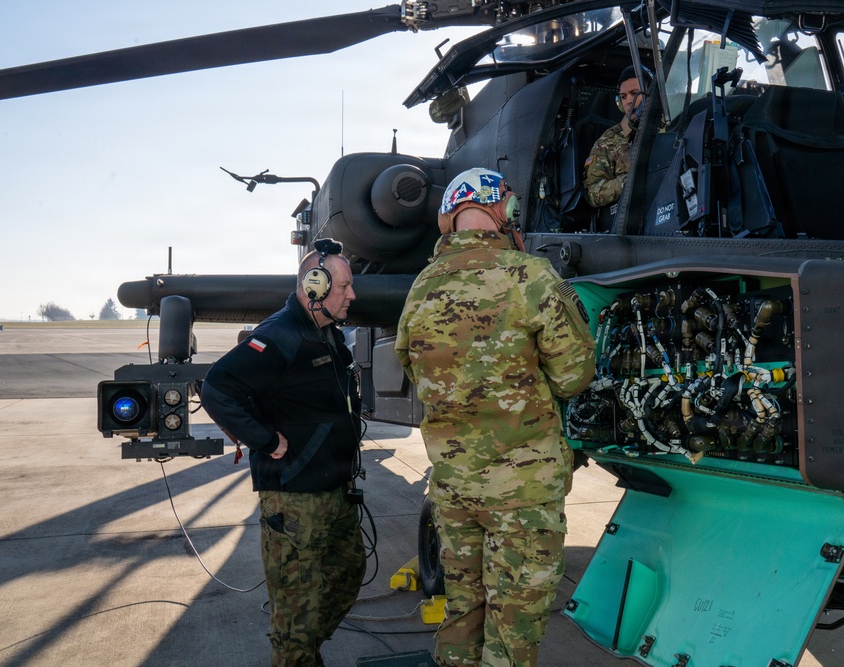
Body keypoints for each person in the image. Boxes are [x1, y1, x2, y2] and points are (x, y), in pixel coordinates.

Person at [395, 168, 596, 667]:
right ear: (502, 209)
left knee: (463, 612)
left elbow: (412, 367)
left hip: (453, 486)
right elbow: (574, 374)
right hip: (522, 491)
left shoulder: (422, 287)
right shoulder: (530, 276)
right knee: (512, 630)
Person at [200, 238, 365, 667]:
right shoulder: (279, 335)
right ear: (314, 286)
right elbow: (218, 388)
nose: (352, 295)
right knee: (295, 618)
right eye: (344, 286)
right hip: (294, 501)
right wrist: (266, 440)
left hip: (334, 490)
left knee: (348, 575)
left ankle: (305, 654)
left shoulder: (325, 334)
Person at [582, 65, 648, 210]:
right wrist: (627, 183)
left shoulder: (673, 125)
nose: (628, 101)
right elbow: (591, 191)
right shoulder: (609, 140)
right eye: (623, 97)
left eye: (635, 93)